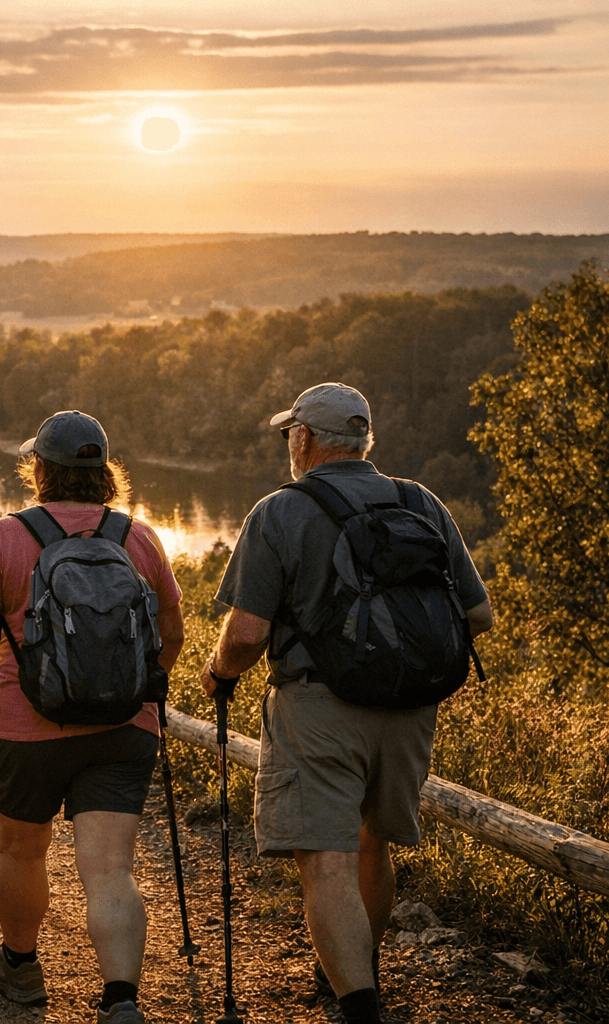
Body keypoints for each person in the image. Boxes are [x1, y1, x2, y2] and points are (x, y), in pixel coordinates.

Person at [200, 382, 493, 1024]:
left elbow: (247, 632)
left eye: (290, 435)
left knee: (324, 857)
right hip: (412, 710)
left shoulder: (279, 511)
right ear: (365, 441)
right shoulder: (421, 502)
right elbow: (478, 613)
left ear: (303, 440)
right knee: (372, 843)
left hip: (317, 706)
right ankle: (357, 968)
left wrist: (219, 674)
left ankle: (357, 1003)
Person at [0, 410, 185, 1024]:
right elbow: (170, 634)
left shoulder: (7, 536)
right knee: (111, 868)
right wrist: (140, 692)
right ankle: (120, 1000)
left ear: (40, 468)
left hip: (23, 726)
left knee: (21, 851)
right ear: (103, 473)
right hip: (123, 729)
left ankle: (19, 968)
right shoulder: (139, 538)